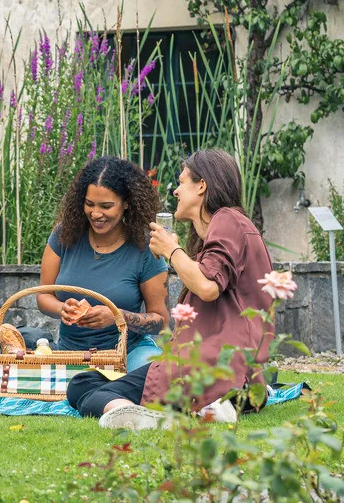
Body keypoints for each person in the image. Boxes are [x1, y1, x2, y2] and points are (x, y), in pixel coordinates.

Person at [65, 149, 274, 429]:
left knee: (83, 386)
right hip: (230, 367)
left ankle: (141, 416)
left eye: (182, 182)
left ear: (202, 186)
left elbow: (208, 287)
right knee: (88, 380)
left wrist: (170, 249)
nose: (176, 191)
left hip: (205, 366)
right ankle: (220, 404)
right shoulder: (229, 227)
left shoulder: (227, 219)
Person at [36, 156, 169, 372]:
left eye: (106, 206)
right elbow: (43, 296)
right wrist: (63, 309)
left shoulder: (145, 248)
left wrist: (117, 316)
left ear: (127, 203)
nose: (96, 214)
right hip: (72, 353)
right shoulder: (64, 235)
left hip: (128, 353)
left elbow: (161, 320)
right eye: (89, 204)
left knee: (152, 378)